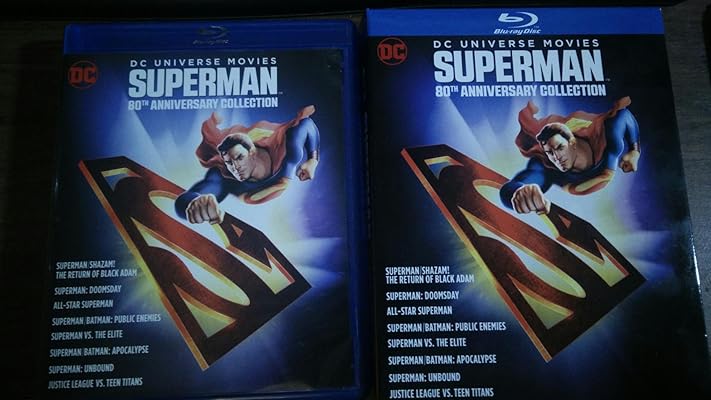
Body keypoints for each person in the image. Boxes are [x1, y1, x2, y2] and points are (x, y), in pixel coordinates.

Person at [175, 105, 320, 224]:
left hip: (265, 139)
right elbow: (196, 193)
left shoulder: (288, 152)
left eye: (239, 158)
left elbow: (306, 124)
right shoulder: (225, 175)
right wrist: (196, 204)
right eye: (229, 163)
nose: (235, 167)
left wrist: (313, 160)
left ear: (252, 152)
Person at [500, 97, 640, 214]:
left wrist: (634, 151)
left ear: (572, 143)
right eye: (550, 153)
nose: (556, 157)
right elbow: (515, 184)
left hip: (585, 128)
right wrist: (520, 193)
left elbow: (623, 115)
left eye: (560, 148)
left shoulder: (607, 140)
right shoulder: (547, 166)